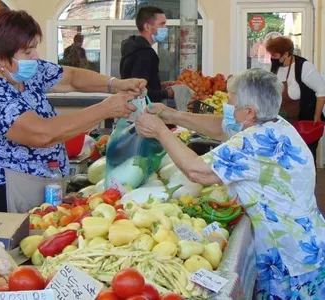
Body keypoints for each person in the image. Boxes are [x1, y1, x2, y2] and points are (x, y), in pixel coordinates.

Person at [135, 68, 325, 299]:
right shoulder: (274, 123)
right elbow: (221, 126)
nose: (229, 109)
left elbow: (197, 172)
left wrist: (160, 131)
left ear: (249, 111)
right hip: (307, 241)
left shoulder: (254, 142)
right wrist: (172, 115)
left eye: (233, 105)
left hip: (289, 257)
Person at [0, 9, 146, 228]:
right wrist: (104, 109)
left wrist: (114, 84)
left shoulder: (23, 72)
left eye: (35, 46)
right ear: (1, 58)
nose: (35, 55)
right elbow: (42, 134)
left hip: (30, 191)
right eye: (28, 51)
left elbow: (72, 78)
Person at [266, 36, 325, 163]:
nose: (272, 58)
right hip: (284, 122)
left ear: (285, 54)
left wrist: (317, 115)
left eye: (274, 55)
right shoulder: (276, 67)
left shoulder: (303, 67)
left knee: (305, 157)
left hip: (304, 122)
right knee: (286, 158)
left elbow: (321, 90)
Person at [120, 6, 174, 103]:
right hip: (142, 113)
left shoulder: (133, 47)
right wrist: (167, 93)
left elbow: (138, 82)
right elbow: (140, 91)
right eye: (162, 24)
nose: (165, 29)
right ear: (147, 27)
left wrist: (159, 85)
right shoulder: (145, 53)